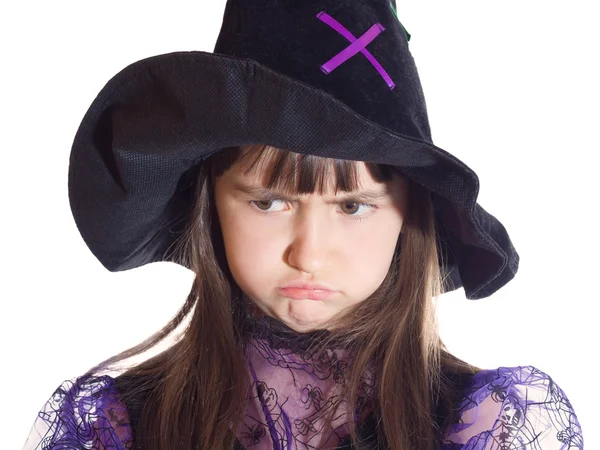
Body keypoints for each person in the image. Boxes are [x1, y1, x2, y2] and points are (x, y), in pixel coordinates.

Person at [22, 0, 584, 449]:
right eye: (269, 203)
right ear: (210, 201)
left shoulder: (486, 429)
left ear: (411, 211)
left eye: (352, 206)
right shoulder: (117, 429)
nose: (308, 255)